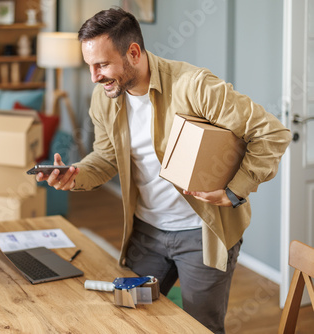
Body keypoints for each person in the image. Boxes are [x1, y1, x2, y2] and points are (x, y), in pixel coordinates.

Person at [36, 8, 291, 333]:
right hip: (146, 233)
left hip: (201, 232)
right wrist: (75, 175)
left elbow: (272, 133)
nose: (94, 77)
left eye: (101, 65)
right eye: (90, 66)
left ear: (133, 52)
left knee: (201, 327)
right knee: (131, 316)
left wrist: (235, 189)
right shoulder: (104, 99)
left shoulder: (194, 87)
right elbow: (105, 158)